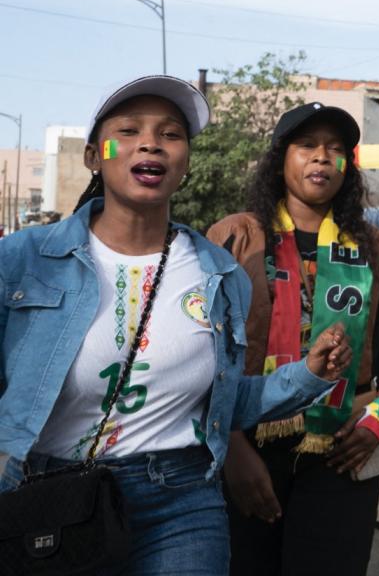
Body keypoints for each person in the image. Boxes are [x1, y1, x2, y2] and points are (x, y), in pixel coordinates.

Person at [0, 75, 351, 575]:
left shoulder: (220, 272)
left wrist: (310, 375)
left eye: (170, 134)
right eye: (128, 130)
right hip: (47, 497)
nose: (150, 143)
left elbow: (225, 403)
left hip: (181, 500)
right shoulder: (22, 260)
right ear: (94, 156)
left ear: (184, 161)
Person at [207, 102, 379, 576]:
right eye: (307, 146)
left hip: (344, 449)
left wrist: (378, 420)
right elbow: (206, 354)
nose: (322, 158)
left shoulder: (374, 246)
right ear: (280, 158)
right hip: (251, 449)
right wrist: (235, 451)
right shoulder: (234, 238)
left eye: (335, 149)